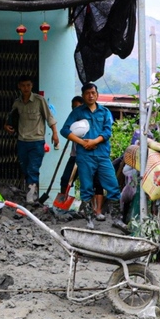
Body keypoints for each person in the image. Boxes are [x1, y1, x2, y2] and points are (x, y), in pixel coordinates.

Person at [60, 82, 126, 231]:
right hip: (84, 156)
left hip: (102, 155)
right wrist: (82, 142)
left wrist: (95, 141)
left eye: (93, 93)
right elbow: (64, 130)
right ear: (83, 95)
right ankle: (89, 220)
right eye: (87, 93)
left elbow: (108, 132)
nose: (90, 95)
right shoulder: (78, 112)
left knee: (113, 186)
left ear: (97, 94)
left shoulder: (104, 112)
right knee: (86, 188)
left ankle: (116, 219)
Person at [4, 75, 59, 203]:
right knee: (25, 168)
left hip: (37, 141)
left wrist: (55, 134)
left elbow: (49, 118)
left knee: (33, 168)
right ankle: (31, 192)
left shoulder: (40, 100)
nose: (26, 88)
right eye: (23, 85)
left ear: (32, 85)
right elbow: (11, 118)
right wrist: (7, 126)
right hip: (22, 141)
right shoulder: (17, 103)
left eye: (28, 85)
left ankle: (31, 197)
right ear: (19, 87)